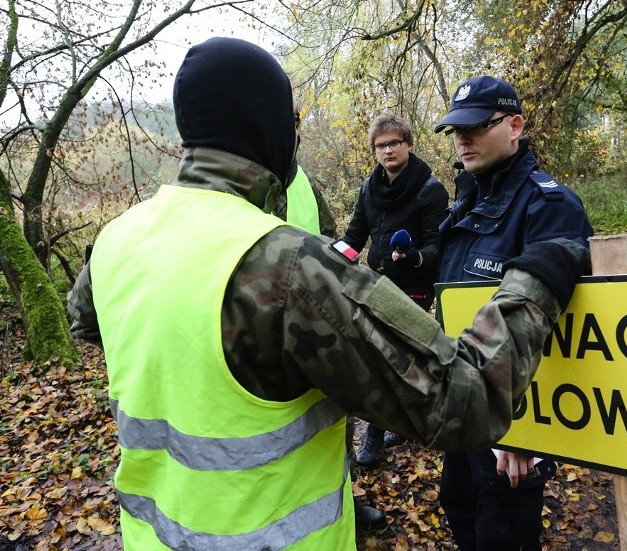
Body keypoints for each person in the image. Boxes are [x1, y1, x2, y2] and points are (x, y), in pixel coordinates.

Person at [66, 38, 591, 550]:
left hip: (148, 535)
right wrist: (536, 280)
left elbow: (87, 323)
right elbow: (463, 400)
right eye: (292, 123)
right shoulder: (293, 267)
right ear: (265, 124)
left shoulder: (116, 238)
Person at [433, 75, 594, 551]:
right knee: (458, 506)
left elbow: (554, 325)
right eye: (456, 130)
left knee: (501, 532)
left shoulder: (550, 205)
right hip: (465, 401)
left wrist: (524, 428)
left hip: (512, 416)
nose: (463, 139)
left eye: (478, 126)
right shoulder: (470, 198)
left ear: (515, 126)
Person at [287, 99, 388, 531]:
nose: (293, 130)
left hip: (317, 324)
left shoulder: (303, 182)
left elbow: (334, 239)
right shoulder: (228, 187)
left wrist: (348, 274)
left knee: (334, 424)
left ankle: (344, 504)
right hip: (257, 332)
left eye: (295, 122)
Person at [342, 113, 449, 468]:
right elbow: (355, 237)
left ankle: (374, 436)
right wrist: (329, 256)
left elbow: (437, 249)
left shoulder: (429, 189)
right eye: (380, 145)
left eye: (394, 143)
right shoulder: (368, 190)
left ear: (408, 145)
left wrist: (412, 256)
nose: (387, 150)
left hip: (415, 287)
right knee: (380, 358)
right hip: (379, 284)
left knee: (392, 360)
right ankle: (399, 423)